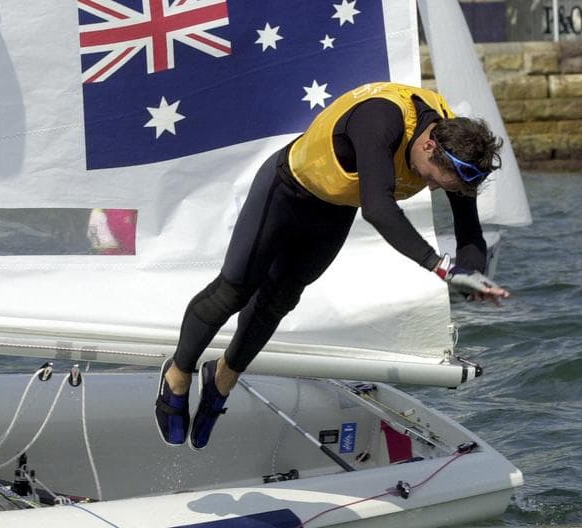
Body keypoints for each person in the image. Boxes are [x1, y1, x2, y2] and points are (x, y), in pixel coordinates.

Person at [154, 81, 510, 450]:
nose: (432, 189)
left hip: (334, 210)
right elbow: (378, 208)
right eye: (430, 180)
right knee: (235, 290)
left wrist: (473, 274)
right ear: (428, 145)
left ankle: (222, 379)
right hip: (286, 189)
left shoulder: (455, 145)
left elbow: (469, 232)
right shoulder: (381, 119)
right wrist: (439, 267)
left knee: (280, 300)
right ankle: (178, 375)